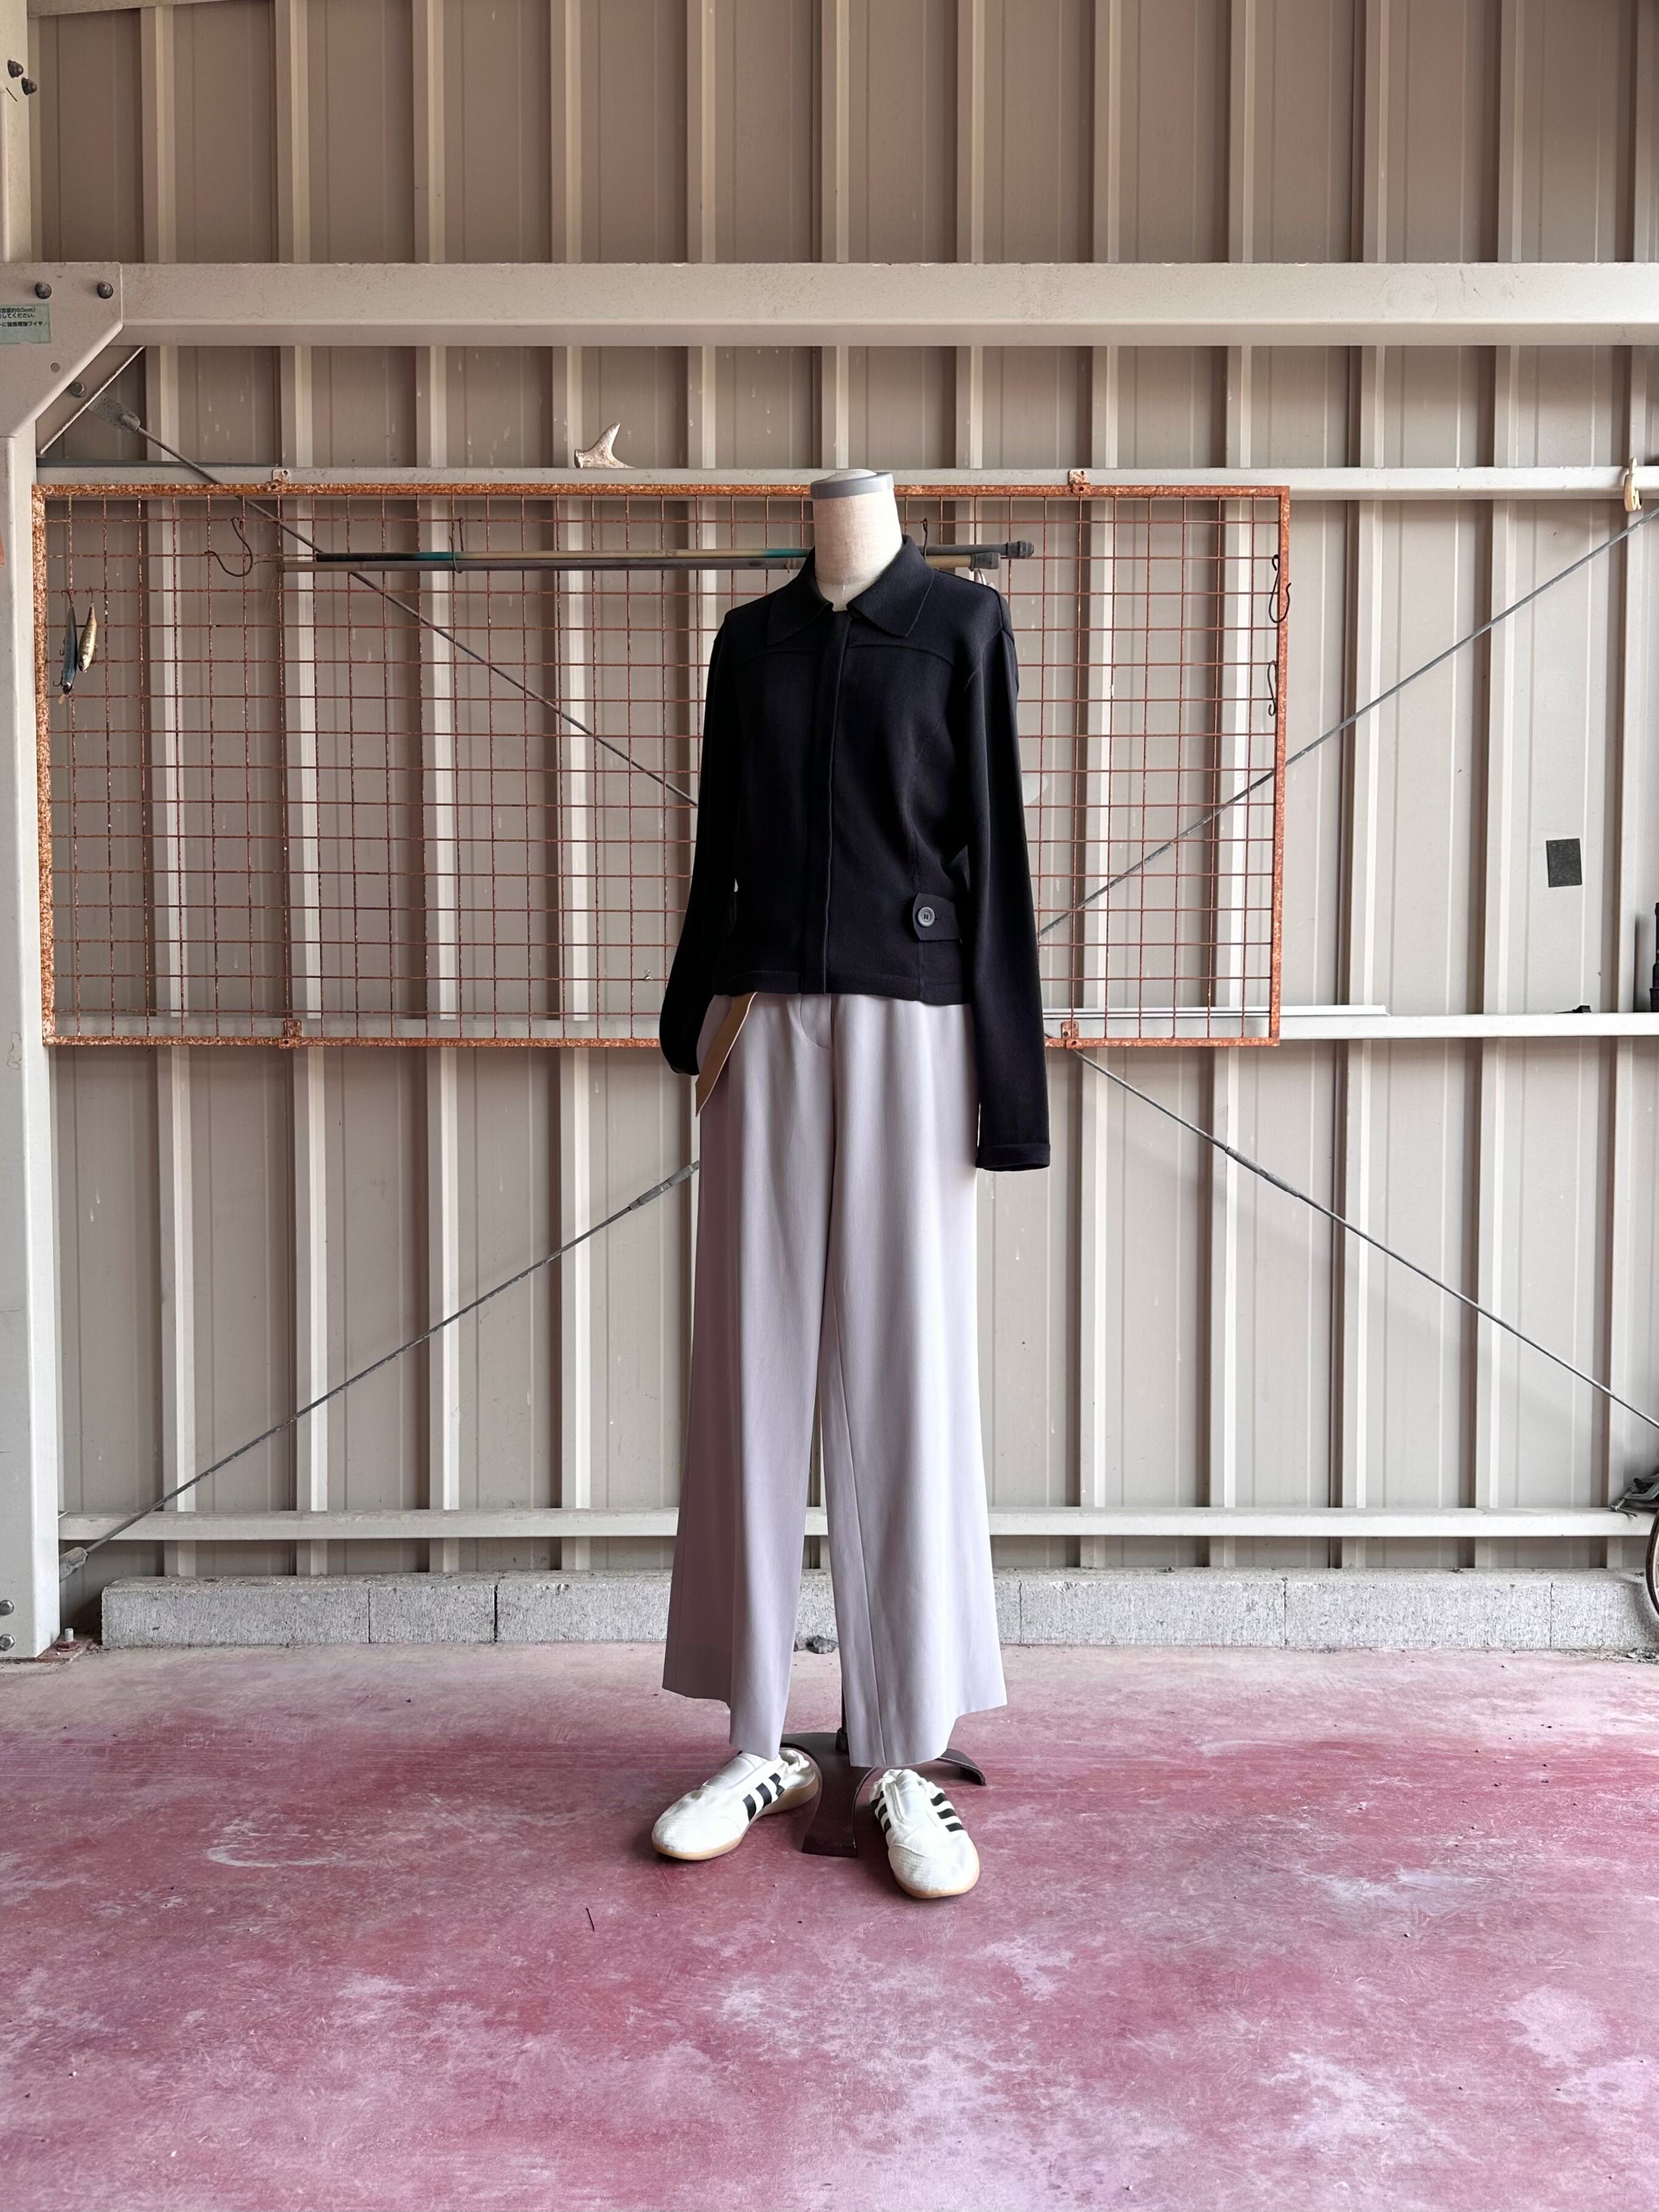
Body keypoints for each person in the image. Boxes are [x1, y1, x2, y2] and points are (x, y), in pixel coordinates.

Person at [649, 471, 1049, 1900]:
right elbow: (717, 846)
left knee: (903, 1380)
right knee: (747, 1376)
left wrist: (1010, 1086)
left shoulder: (959, 628)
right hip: (759, 1018)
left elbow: (994, 855)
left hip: (914, 1028)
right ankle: (755, 1737)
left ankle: (895, 1753)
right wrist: (688, 1013)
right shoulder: (747, 643)